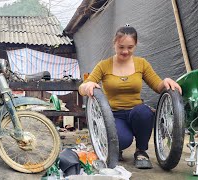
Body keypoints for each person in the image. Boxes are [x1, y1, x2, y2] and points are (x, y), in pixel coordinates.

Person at [78, 25, 182, 169]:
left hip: (136, 113)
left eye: (130, 47)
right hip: (114, 116)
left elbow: (157, 86)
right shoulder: (103, 65)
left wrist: (165, 82)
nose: (125, 51)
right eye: (121, 47)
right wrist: (88, 86)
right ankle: (116, 148)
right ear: (114, 43)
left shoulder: (142, 64)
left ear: (135, 45)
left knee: (144, 112)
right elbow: (82, 88)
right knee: (123, 140)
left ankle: (141, 151)